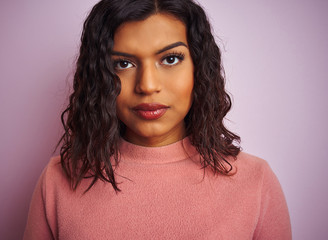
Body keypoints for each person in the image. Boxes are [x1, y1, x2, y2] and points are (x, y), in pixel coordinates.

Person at [23, 0, 291, 239]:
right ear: (99, 77)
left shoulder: (255, 182)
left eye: (170, 59)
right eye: (123, 64)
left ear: (199, 68)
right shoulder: (59, 179)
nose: (148, 85)